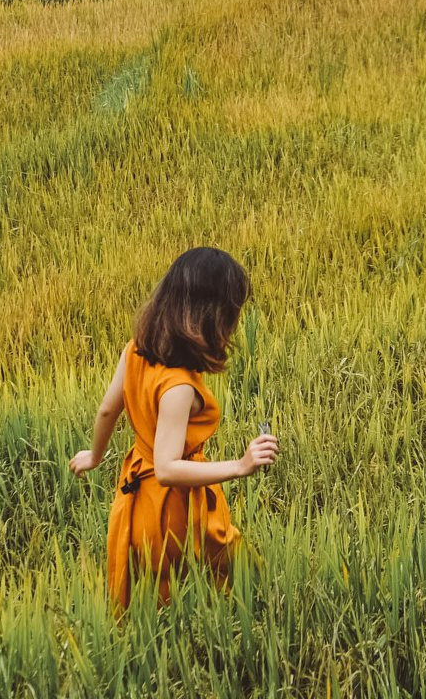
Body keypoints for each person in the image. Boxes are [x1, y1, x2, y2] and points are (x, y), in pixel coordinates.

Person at [69, 247, 280, 610]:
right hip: (170, 504)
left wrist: (96, 455)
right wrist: (240, 465)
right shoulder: (179, 386)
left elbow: (107, 410)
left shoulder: (135, 350)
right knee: (212, 574)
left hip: (133, 490)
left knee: (147, 583)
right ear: (211, 316)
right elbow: (167, 469)